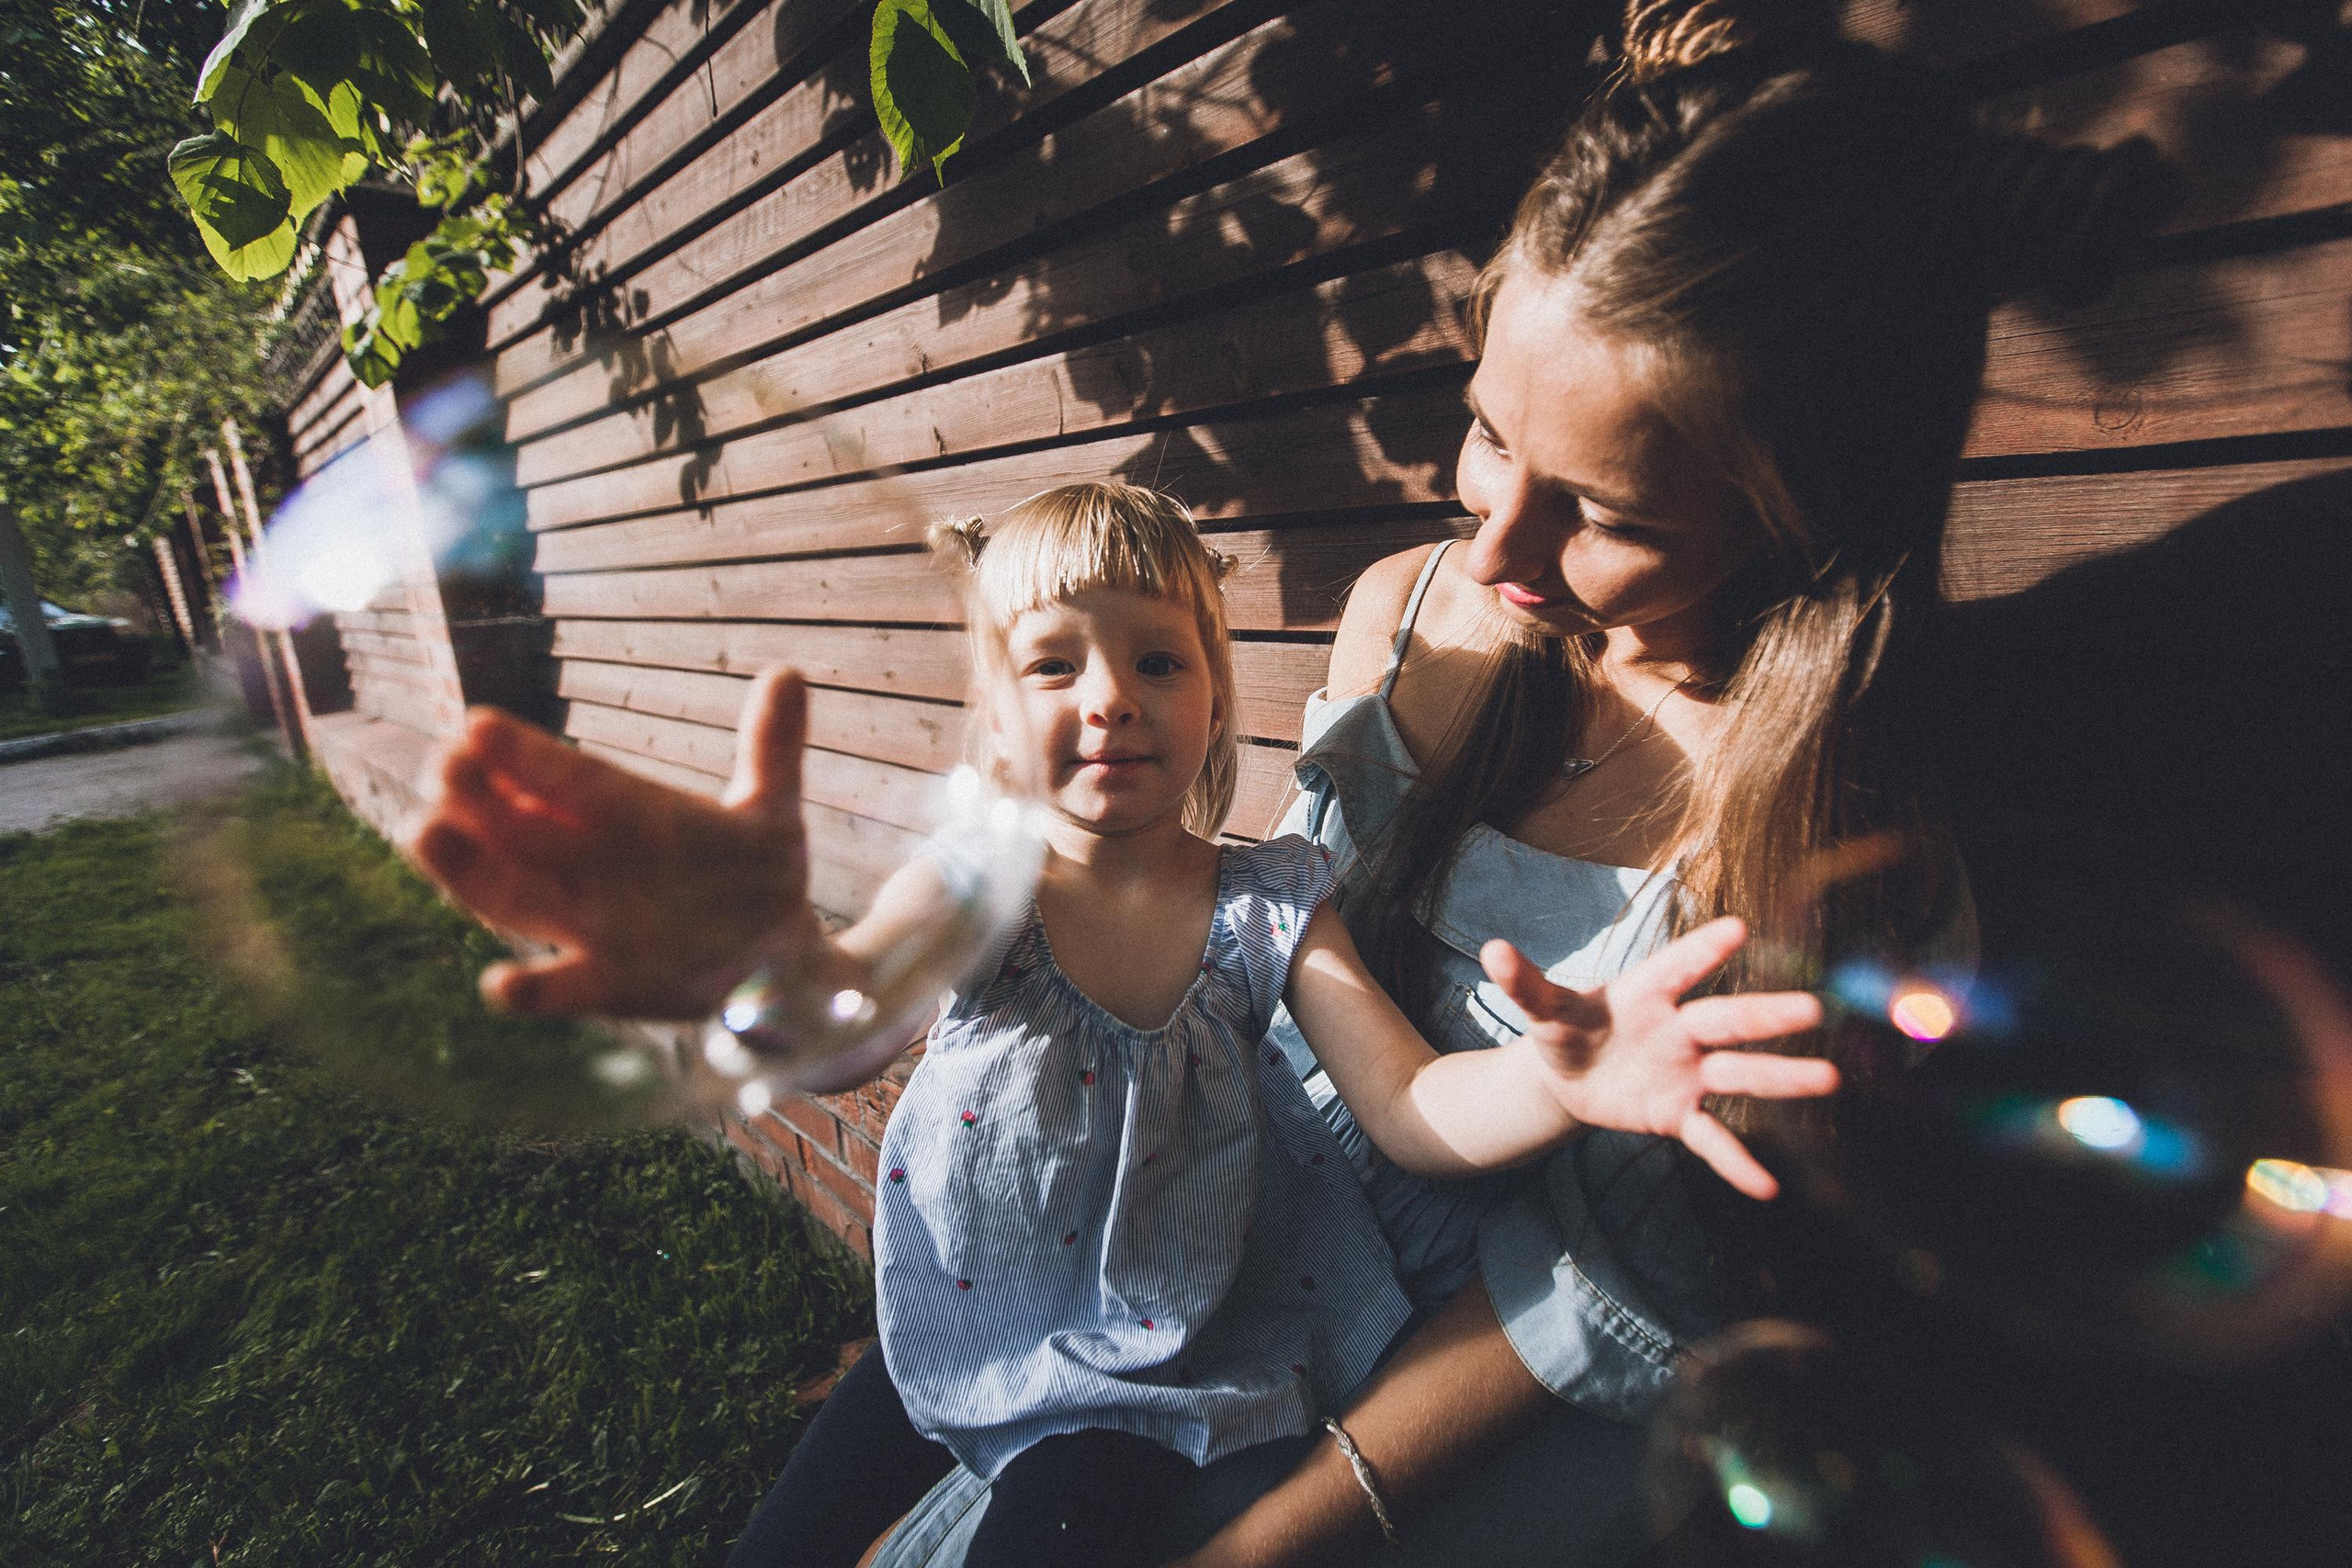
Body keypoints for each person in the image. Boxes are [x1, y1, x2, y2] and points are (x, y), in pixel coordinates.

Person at [412, 482, 1834, 1568]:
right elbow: (848, 1017)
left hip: (1144, 1377)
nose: (1111, 700)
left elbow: (1412, 1107)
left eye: (1158, 661)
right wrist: (763, 956)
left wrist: (1556, 1079)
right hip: (954, 1335)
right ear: (994, 705)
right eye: (1054, 666)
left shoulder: (1271, 904)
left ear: (1215, 691)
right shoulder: (985, 879)